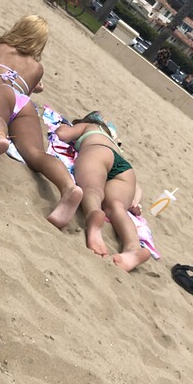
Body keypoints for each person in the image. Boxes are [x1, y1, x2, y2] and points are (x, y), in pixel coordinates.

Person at [0, 15, 83, 229]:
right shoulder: (37, 68)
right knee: (36, 154)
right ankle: (68, 187)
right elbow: (27, 91)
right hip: (24, 104)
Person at [55, 112, 151, 272]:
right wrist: (135, 201)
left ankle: (93, 216)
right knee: (117, 207)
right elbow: (137, 188)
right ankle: (133, 247)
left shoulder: (89, 126)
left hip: (98, 151)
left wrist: (64, 127)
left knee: (92, 189)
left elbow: (62, 135)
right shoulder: (114, 144)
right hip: (124, 167)